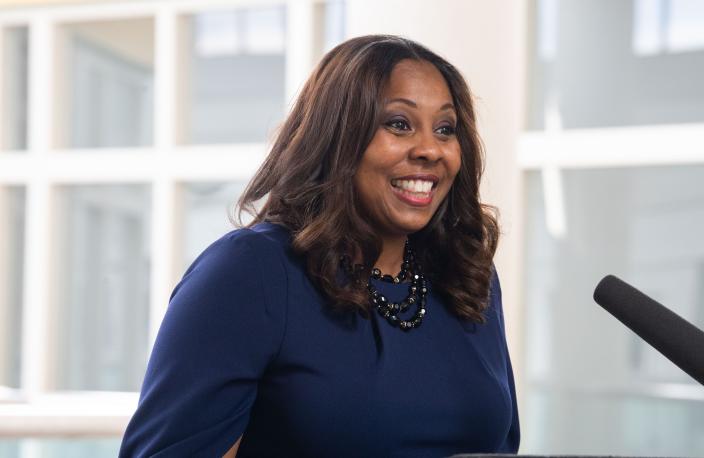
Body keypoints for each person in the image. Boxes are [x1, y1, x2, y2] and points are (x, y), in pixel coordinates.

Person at [119, 34, 520, 457]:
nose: (429, 150)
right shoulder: (250, 272)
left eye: (445, 129)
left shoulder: (467, 278)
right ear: (337, 135)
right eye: (398, 124)